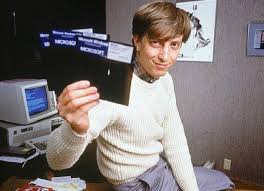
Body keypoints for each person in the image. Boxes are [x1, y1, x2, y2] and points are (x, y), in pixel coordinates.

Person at [46, 1, 200, 190]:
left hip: (157, 166)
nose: (165, 56)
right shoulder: (113, 89)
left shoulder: (165, 80)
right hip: (135, 183)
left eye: (174, 45)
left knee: (220, 180)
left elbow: (174, 139)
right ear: (137, 41)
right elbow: (55, 161)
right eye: (155, 43)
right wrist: (75, 129)